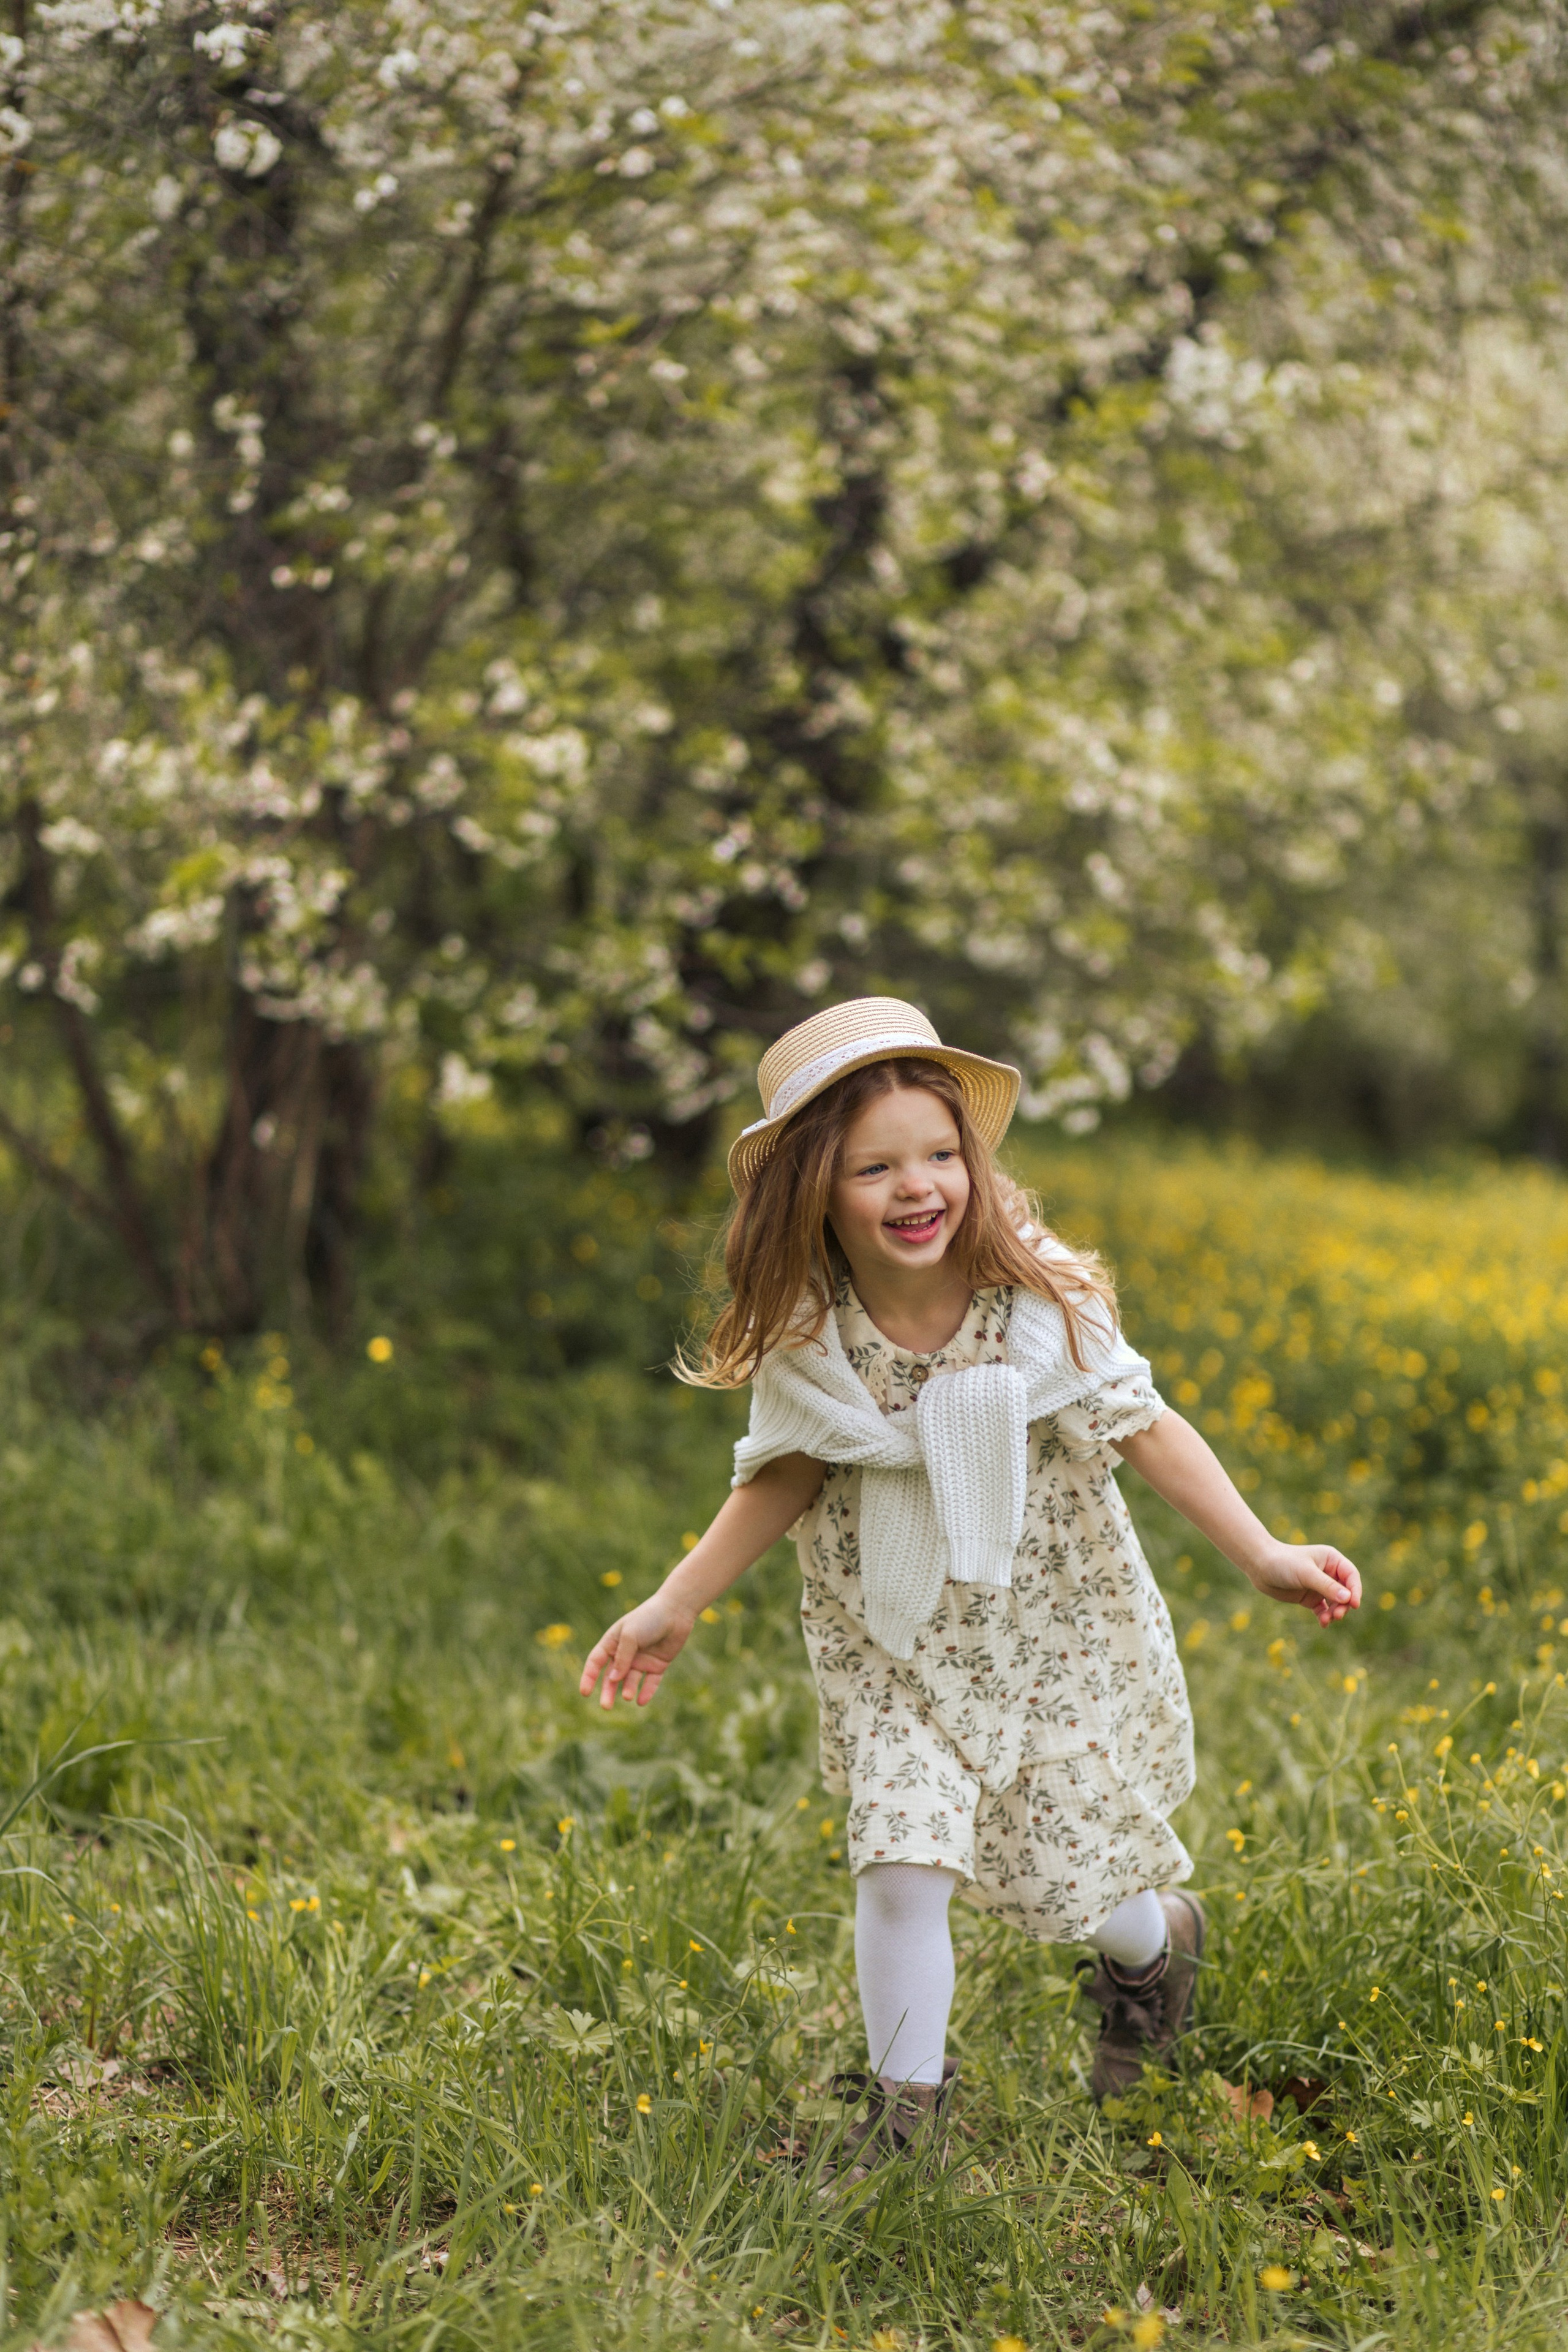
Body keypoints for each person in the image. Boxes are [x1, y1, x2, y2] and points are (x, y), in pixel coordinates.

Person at [579, 997, 1361, 2174]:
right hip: (893, 1641)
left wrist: (1262, 1553)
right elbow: (782, 1474)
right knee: (898, 1863)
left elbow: (1144, 1426)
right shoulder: (813, 1334)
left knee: (1087, 1871)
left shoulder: (1039, 1302)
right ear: (813, 1190)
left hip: (1049, 1629)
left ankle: (1153, 1959)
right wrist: (674, 1600)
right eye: (874, 1167)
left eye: (941, 1154)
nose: (918, 1186)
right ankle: (906, 2118)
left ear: (973, 1161)